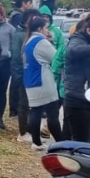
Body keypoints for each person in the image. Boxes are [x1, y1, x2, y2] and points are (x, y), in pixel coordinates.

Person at [62, 15, 90, 142]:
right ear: (89, 30)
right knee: (81, 142)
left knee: (88, 142)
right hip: (78, 100)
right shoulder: (76, 41)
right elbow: (75, 51)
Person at [23, 16, 62, 150]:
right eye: (46, 28)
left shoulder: (29, 41)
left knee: (35, 110)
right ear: (40, 28)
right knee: (52, 113)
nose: (47, 31)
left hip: (31, 80)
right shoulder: (41, 41)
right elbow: (55, 57)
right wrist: (50, 42)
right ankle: (61, 143)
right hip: (43, 80)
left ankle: (36, 142)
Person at [11, 9, 42, 142]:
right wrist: (19, 75)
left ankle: (30, 130)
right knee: (23, 104)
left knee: (33, 104)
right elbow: (17, 57)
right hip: (24, 74)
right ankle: (23, 133)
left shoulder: (33, 35)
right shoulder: (20, 35)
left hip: (34, 75)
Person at [0, 3, 15, 129]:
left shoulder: (9, 28)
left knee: (1, 91)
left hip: (4, 62)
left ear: (2, 15)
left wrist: (10, 54)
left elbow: (14, 45)